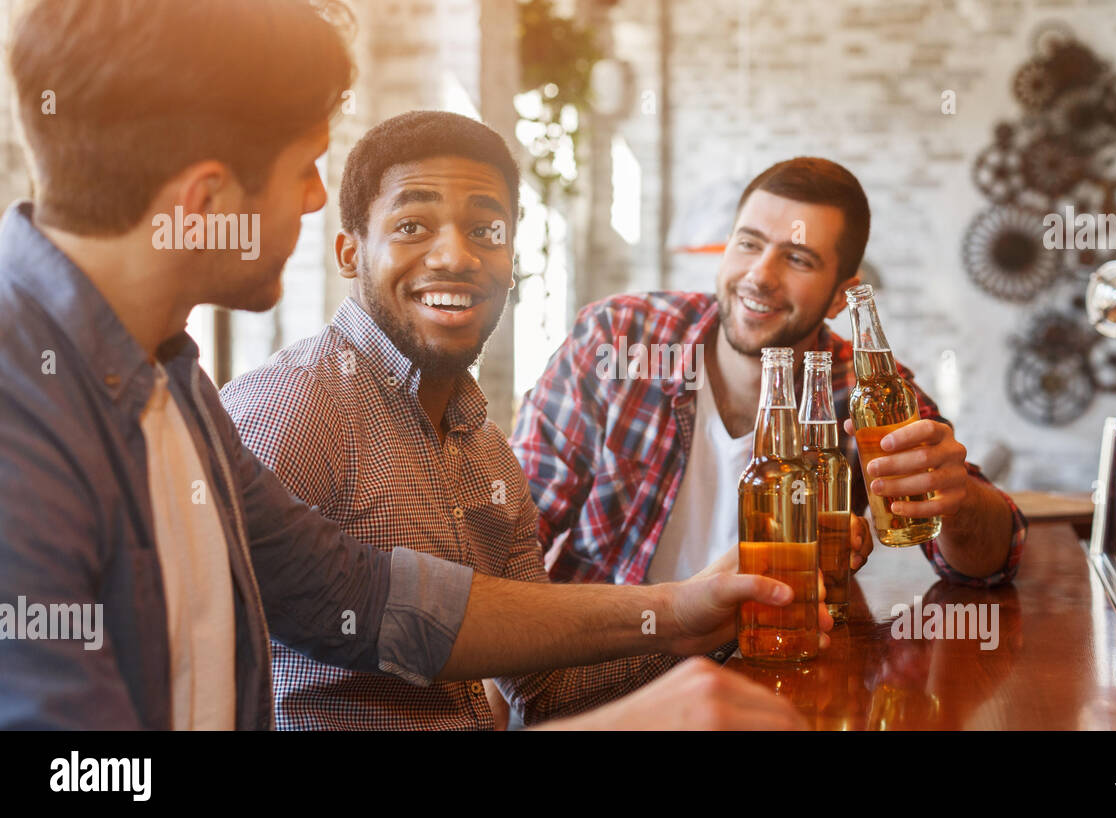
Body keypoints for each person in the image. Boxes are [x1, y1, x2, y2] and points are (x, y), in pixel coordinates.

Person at [0, 0, 812, 731]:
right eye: (304, 167)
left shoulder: (174, 385)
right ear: (207, 203)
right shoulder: (23, 416)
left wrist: (676, 609)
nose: (319, 201)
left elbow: (366, 595)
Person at [221, 110, 782, 730]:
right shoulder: (292, 408)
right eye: (412, 226)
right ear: (350, 253)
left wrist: (706, 615)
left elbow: (547, 686)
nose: (456, 256)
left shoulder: (487, 452)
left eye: (486, 230)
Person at [512, 157, 1028, 588]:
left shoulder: (861, 388)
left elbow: (990, 564)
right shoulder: (620, 339)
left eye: (798, 259)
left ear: (840, 297)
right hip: (605, 683)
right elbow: (511, 531)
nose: (760, 276)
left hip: (778, 681)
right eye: (749, 243)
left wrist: (956, 501)